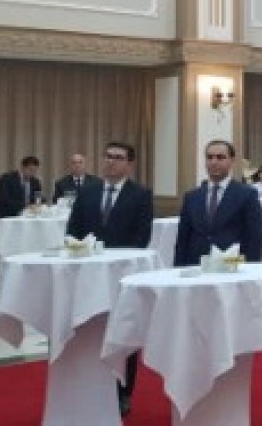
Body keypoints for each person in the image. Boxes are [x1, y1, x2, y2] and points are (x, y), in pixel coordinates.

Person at [65, 142, 152, 417]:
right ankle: (88, 387)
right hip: (88, 277)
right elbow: (73, 230)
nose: (111, 161)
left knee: (123, 333)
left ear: (130, 164)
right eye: (108, 156)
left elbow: (141, 238)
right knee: (90, 333)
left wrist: (114, 261)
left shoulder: (140, 195)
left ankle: (123, 392)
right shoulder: (88, 192)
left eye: (118, 157)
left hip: (122, 277)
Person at [174, 140, 262, 266]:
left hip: (231, 267)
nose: (214, 162)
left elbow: (254, 239)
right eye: (209, 157)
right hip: (195, 267)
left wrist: (246, 268)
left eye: (220, 157)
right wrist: (179, 269)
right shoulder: (192, 197)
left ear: (232, 161)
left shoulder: (247, 195)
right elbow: (182, 239)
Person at [0, 156, 43, 233]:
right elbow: (3, 199)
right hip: (3, 217)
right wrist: (26, 206)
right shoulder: (7, 178)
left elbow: (38, 198)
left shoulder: (35, 182)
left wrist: (40, 203)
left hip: (22, 220)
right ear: (23, 167)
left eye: (35, 171)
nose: (32, 173)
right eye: (30, 170)